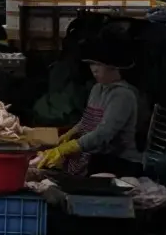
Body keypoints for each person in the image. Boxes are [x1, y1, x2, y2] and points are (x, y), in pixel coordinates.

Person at [33, 46, 142, 175]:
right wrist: (70, 134)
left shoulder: (123, 95)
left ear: (114, 67)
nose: (94, 69)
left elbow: (103, 134)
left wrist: (69, 148)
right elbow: (86, 121)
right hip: (95, 155)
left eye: (99, 64)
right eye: (91, 64)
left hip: (118, 161)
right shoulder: (97, 88)